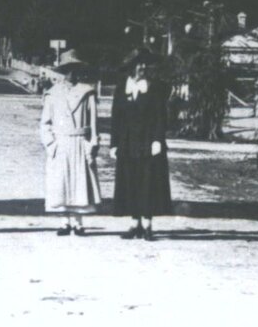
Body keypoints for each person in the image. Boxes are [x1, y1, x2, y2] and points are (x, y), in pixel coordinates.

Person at [110, 48, 174, 239]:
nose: (142, 67)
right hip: (128, 142)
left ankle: (147, 225)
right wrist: (114, 143)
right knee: (130, 182)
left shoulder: (155, 87)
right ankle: (134, 223)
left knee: (148, 183)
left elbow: (160, 117)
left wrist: (157, 140)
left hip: (148, 142)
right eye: (138, 64)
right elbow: (116, 118)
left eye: (145, 64)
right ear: (131, 67)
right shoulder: (122, 87)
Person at [40, 50, 101, 235]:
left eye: (74, 70)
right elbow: (45, 123)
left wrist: (92, 144)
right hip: (61, 142)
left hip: (79, 141)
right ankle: (64, 222)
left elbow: (93, 123)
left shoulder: (87, 92)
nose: (71, 74)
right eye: (67, 70)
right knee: (61, 182)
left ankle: (78, 222)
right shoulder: (52, 93)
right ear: (61, 71)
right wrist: (51, 144)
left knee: (80, 182)